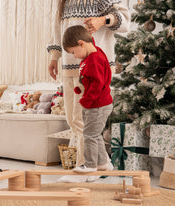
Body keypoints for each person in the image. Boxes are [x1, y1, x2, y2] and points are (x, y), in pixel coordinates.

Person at [47, 0, 130, 182]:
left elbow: (125, 21)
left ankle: (85, 169)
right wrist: (55, 57)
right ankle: (101, 163)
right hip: (69, 66)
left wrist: (103, 20)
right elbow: (57, 28)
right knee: (73, 120)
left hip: (95, 66)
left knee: (83, 122)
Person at [63, 25, 113, 173]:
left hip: (98, 105)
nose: (75, 56)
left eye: (73, 52)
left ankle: (90, 165)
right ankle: (103, 163)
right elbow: (88, 78)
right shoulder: (90, 55)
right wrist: (80, 87)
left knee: (89, 135)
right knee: (94, 134)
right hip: (95, 104)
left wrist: (86, 99)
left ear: (81, 43)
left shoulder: (95, 59)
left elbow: (98, 84)